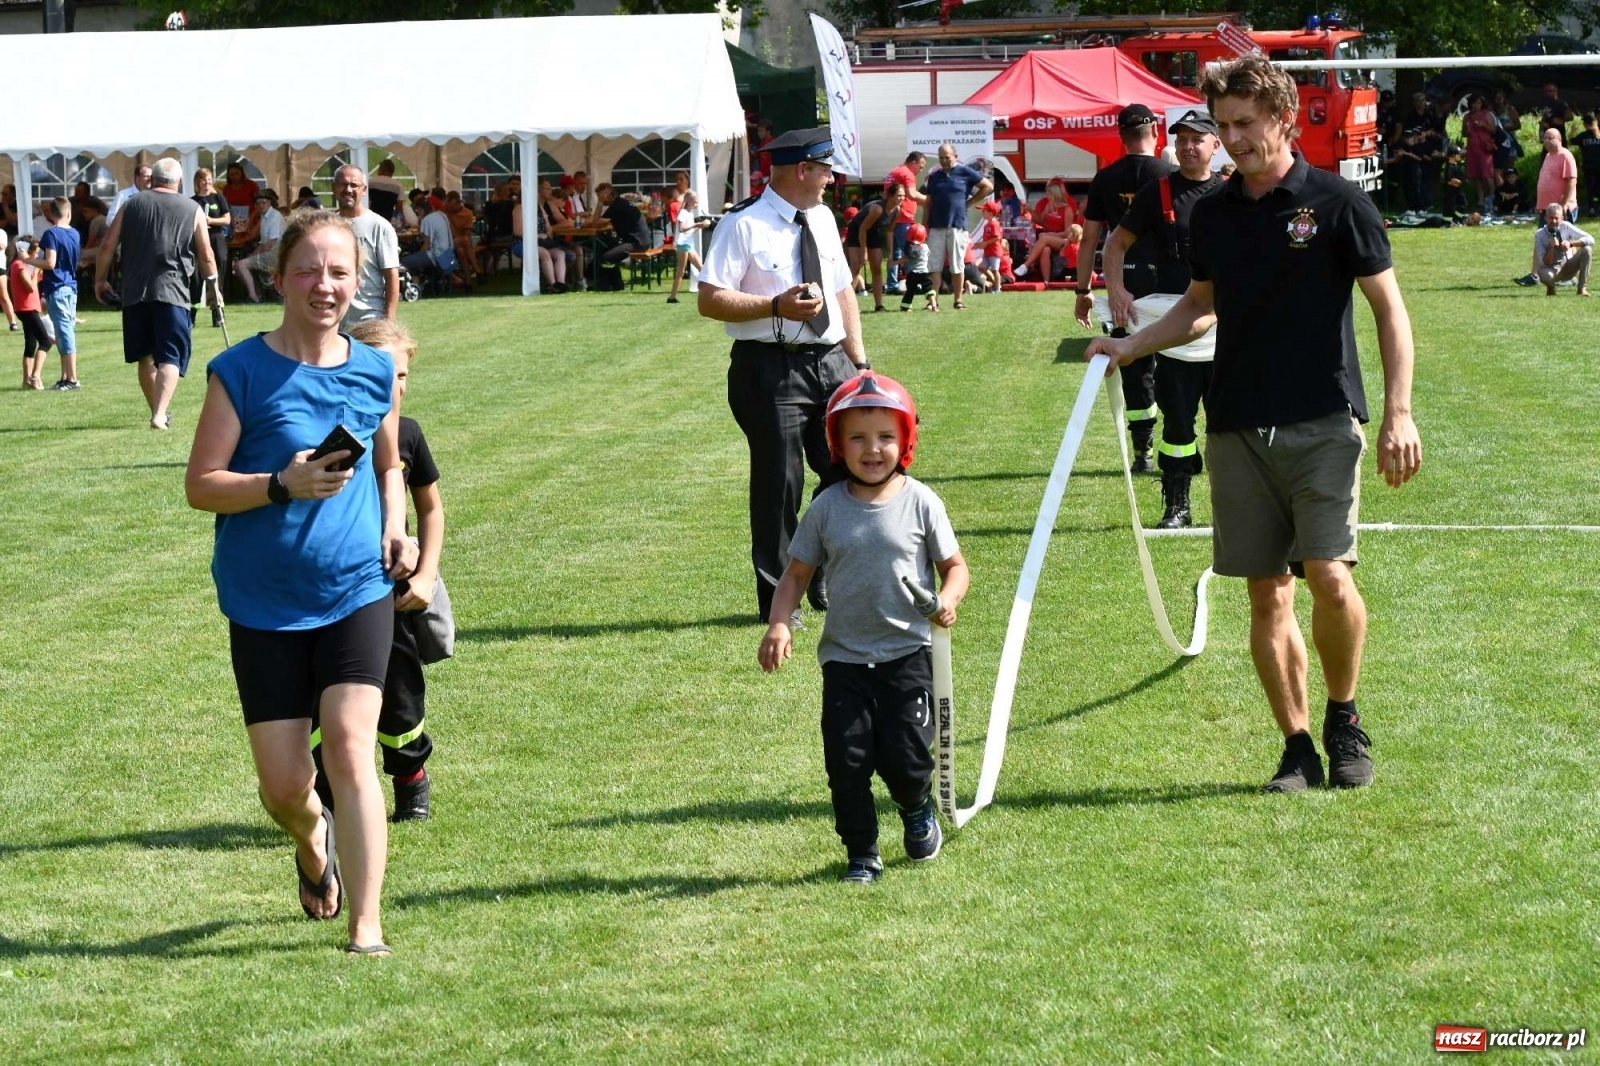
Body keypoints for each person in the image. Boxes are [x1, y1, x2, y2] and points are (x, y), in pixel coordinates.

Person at [1085, 53, 1422, 794]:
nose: (1232, 139)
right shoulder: (1213, 215)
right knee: (1266, 593)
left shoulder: (1338, 203)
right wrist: (1130, 344)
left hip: (1324, 422)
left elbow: (1390, 313)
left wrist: (1398, 412)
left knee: (1329, 577)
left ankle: (1344, 716)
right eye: (1223, 125)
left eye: (1244, 124)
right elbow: (1199, 304)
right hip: (1235, 424)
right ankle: (1296, 746)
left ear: (1281, 118)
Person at [183, 209, 417, 957]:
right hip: (263, 600)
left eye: (341, 272)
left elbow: (388, 463)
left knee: (350, 747)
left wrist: (394, 522)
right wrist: (279, 486)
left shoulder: (375, 367)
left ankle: (367, 926)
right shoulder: (241, 372)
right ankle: (312, 838)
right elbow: (202, 486)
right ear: (280, 278)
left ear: (360, 282)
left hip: (355, 588)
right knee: (286, 788)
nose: (326, 285)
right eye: (310, 270)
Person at [757, 371, 969, 885]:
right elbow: (795, 576)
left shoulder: (922, 502)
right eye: (857, 437)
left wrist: (946, 601)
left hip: (907, 655)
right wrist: (779, 624)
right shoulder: (826, 509)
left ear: (906, 440)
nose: (872, 449)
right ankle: (862, 852)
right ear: (836, 444)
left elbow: (956, 569)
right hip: (845, 661)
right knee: (847, 762)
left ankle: (916, 805)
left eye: (884, 437)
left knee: (906, 757)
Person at [697, 126, 870, 625]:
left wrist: (860, 366)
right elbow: (710, 298)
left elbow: (842, 293)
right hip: (768, 368)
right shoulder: (743, 224)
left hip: (830, 361)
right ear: (802, 170)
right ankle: (778, 600)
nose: (830, 177)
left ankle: (817, 565)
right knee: (781, 484)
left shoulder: (822, 217)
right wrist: (775, 304)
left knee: (851, 467)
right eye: (824, 169)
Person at [311, 317, 444, 823]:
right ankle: (325, 791)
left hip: (391, 592)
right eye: (385, 372)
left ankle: (410, 778)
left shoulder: (408, 436)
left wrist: (426, 574)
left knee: (399, 693)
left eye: (404, 375)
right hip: (330, 590)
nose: (395, 386)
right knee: (323, 693)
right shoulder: (332, 437)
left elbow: (430, 510)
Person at [1100, 108, 1224, 530]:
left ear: (1215, 145)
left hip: (1228, 331)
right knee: (1178, 420)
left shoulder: (1235, 193)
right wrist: (1115, 290)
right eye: (1182, 139)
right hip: (1177, 330)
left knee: (1236, 423)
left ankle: (1243, 507)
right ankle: (1177, 507)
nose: (1189, 146)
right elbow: (1114, 245)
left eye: (1198, 139)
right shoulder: (1158, 193)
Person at [1076, 103, 1176, 474]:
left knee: (1133, 367)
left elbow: (1089, 240)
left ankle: (1143, 451)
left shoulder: (1105, 178)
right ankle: (1178, 438)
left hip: (1123, 283)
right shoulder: (1170, 173)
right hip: (1167, 282)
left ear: (1120, 137)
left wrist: (1082, 291)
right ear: (1156, 133)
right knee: (1174, 365)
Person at [94, 157, 220, 430]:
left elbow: (106, 247)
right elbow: (206, 255)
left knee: (145, 355)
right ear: (180, 181)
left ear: (152, 180)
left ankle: (159, 411)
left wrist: (100, 280)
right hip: (173, 291)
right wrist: (214, 289)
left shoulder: (131, 205)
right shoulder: (193, 208)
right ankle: (159, 414)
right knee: (171, 356)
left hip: (135, 292)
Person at [921, 143, 992, 308]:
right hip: (936, 226)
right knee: (934, 266)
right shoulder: (933, 176)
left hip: (957, 225)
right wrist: (924, 226)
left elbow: (988, 187)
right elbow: (928, 203)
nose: (944, 160)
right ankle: (933, 301)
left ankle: (958, 300)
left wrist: (970, 202)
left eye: (947, 157)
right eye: (941, 158)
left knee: (957, 265)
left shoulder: (965, 172)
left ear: (955, 156)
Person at [332, 166, 400, 327]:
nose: (348, 189)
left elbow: (392, 276)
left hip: (369, 319)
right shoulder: (327, 225)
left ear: (364, 190)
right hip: (334, 321)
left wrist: (388, 322)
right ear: (333, 188)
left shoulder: (379, 226)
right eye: (343, 184)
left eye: (354, 185)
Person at [27, 198, 82, 390]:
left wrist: (29, 261)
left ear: (50, 214)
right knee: (63, 331)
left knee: (64, 332)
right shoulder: (75, 233)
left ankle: (72, 379)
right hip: (71, 285)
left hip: (57, 286)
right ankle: (65, 376)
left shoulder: (51, 233)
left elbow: (50, 262)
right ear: (69, 213)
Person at [844, 183, 905, 313]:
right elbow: (862, 229)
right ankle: (845, 306)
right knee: (856, 268)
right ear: (890, 196)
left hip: (872, 232)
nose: (902, 198)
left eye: (903, 196)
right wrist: (863, 250)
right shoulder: (877, 209)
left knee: (877, 268)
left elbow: (889, 231)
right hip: (857, 230)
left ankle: (879, 305)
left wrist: (890, 253)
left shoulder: (897, 211)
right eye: (899, 195)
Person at [11, 236, 53, 389]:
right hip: (26, 309)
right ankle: (35, 377)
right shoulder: (18, 265)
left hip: (29, 308)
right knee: (46, 341)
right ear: (26, 252)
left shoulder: (23, 265)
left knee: (30, 344)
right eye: (35, 252)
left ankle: (26, 381)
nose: (37, 255)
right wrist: (35, 271)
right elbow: (30, 287)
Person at [884, 151, 928, 292]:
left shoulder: (895, 171)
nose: (920, 170)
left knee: (894, 253)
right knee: (912, 253)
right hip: (903, 218)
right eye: (920, 166)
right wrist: (932, 201)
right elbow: (912, 194)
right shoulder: (907, 174)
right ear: (913, 162)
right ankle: (916, 283)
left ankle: (892, 285)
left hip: (893, 217)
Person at [1017, 177, 1076, 280]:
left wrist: (1051, 235)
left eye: (1049, 194)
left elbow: (1068, 232)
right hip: (1049, 239)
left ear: (1055, 195)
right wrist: (1029, 209)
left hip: (1064, 240)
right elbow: (1040, 219)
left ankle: (1026, 265)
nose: (1046, 196)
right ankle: (1046, 281)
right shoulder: (1049, 206)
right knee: (1045, 249)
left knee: (1043, 237)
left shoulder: (1067, 209)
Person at [232, 190, 286, 304]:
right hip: (269, 252)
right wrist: (253, 255)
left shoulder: (275, 216)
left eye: (263, 202)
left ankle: (253, 296)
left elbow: (270, 243)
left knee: (241, 265)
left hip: (275, 254)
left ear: (270, 202)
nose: (260, 205)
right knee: (239, 265)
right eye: (257, 203)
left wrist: (254, 255)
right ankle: (257, 293)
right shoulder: (265, 216)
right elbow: (259, 240)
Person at [193, 168, 231, 325]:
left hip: (216, 238)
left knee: (218, 278)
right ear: (198, 182)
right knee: (195, 279)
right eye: (204, 180)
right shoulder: (193, 201)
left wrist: (209, 221)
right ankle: (191, 316)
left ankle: (218, 315)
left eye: (209, 179)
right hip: (198, 240)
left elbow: (227, 220)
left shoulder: (218, 198)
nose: (207, 183)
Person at [595, 183, 650, 289]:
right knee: (608, 247)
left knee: (606, 257)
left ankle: (607, 285)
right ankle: (616, 284)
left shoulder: (616, 206)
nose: (599, 199)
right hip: (641, 240)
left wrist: (600, 203)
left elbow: (595, 222)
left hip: (636, 242)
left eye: (600, 196)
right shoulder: (621, 203)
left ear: (609, 195)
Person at [1532, 202, 1592, 297]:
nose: (1554, 221)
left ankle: (1581, 289)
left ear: (1562, 218)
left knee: (1587, 249)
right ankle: (1551, 288)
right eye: (1551, 218)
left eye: (1557, 218)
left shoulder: (1566, 226)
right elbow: (1544, 262)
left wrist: (1571, 244)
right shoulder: (1539, 234)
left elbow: (1590, 239)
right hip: (1551, 270)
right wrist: (1551, 248)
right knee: (1544, 274)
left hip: (1568, 266)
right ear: (1545, 218)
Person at [667, 187, 708, 304]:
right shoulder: (683, 213)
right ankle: (672, 297)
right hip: (682, 245)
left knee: (702, 268)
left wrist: (697, 227)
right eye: (695, 202)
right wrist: (695, 225)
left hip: (688, 244)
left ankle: (708, 292)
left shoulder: (690, 214)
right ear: (689, 201)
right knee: (681, 271)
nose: (696, 204)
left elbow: (689, 232)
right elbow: (681, 229)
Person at [1463, 95, 1500, 214]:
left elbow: (1494, 130)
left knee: (1487, 175)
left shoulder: (1487, 114)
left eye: (1478, 103)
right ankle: (1480, 202)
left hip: (1485, 148)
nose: (1475, 105)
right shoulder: (1467, 116)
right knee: (1476, 176)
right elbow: (1463, 132)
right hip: (1472, 148)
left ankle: (1494, 199)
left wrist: (1483, 125)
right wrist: (1466, 131)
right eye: (1473, 103)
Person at [1537, 126, 1580, 222]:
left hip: (1559, 209)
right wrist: (1540, 204)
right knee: (1544, 236)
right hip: (1547, 208)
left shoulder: (1565, 156)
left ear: (1559, 139)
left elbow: (1572, 180)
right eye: (1545, 138)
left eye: (1550, 138)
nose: (1547, 141)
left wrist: (1564, 204)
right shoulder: (1548, 156)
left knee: (1562, 236)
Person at [899, 223, 935, 312]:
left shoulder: (909, 248)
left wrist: (894, 262)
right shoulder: (925, 247)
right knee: (928, 289)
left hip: (912, 273)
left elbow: (905, 258)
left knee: (910, 290)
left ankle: (906, 306)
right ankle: (933, 304)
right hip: (924, 272)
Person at [221, 162, 260, 231]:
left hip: (250, 221)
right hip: (233, 222)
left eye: (237, 173)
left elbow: (259, 204)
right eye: (232, 174)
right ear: (228, 176)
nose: (234, 176)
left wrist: (252, 217)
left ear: (241, 173)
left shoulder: (252, 185)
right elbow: (225, 207)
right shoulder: (226, 188)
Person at [977, 199, 1004, 293]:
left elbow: (997, 237)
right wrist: (979, 245)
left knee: (995, 270)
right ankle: (995, 284)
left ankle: (997, 288)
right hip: (988, 251)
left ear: (991, 213)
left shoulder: (994, 224)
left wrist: (985, 243)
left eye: (984, 211)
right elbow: (986, 239)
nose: (982, 213)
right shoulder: (987, 225)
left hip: (994, 251)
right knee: (983, 268)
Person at [366, 159, 405, 223]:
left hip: (372, 218)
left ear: (381, 170)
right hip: (388, 219)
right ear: (392, 171)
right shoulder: (398, 185)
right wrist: (401, 220)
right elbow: (399, 206)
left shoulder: (370, 182)